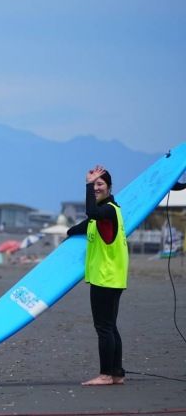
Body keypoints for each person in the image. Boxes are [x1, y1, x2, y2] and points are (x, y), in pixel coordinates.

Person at [67, 165, 129, 386]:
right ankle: (117, 373)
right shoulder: (105, 213)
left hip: (106, 278)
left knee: (104, 328)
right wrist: (70, 233)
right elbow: (87, 224)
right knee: (110, 326)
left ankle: (105, 375)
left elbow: (92, 213)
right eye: (93, 185)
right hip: (112, 277)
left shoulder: (108, 210)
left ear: (109, 187)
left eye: (99, 184)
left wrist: (86, 184)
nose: (96, 188)